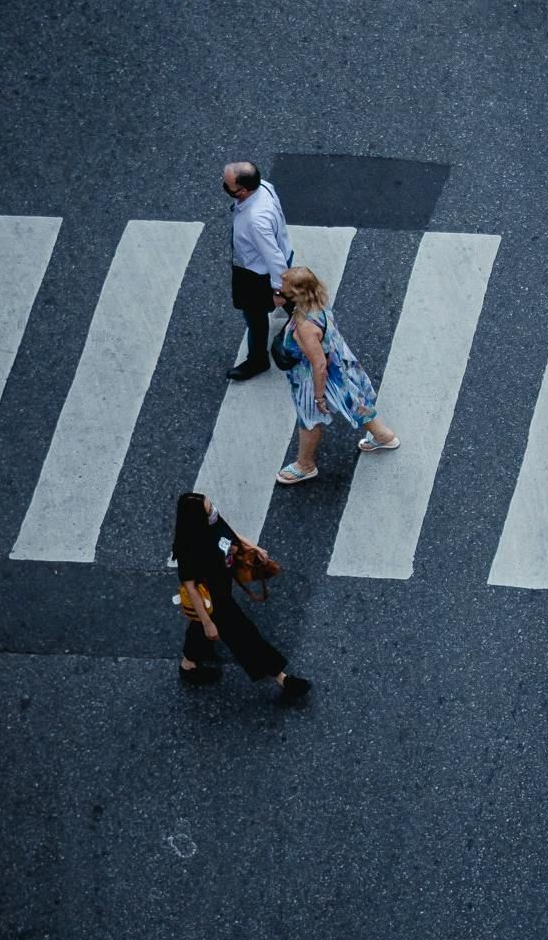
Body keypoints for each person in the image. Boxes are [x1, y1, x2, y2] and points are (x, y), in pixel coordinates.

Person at [171, 490, 309, 702]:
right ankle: (281, 678)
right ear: (199, 519)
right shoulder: (189, 550)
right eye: (210, 510)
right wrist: (208, 621)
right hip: (214, 599)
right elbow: (190, 587)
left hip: (222, 587)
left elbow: (229, 533)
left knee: (201, 628)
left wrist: (252, 547)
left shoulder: (210, 523)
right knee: (244, 636)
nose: (214, 511)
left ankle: (189, 664)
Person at [272, 265, 400, 484]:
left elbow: (319, 364)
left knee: (309, 420)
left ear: (298, 294)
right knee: (353, 401)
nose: (278, 291)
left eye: (283, 290)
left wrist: (318, 397)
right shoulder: (318, 301)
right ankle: (383, 435)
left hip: (313, 378)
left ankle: (305, 465)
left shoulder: (305, 327)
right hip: (339, 366)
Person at [223, 160, 292, 379]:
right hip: (280, 259)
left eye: (228, 187)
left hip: (258, 275)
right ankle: (306, 330)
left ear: (243, 191)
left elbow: (273, 257)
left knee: (254, 318)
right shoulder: (264, 186)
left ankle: (257, 361)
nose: (226, 189)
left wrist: (279, 290)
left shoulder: (255, 220)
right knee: (295, 305)